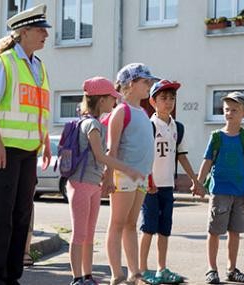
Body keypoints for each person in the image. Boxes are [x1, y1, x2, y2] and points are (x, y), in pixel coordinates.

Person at [0, 4, 52, 284]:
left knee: (21, 216)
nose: (46, 35)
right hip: (2, 148)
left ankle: (11, 277)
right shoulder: (5, 61)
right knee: (1, 217)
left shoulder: (38, 65)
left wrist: (44, 140)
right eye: (41, 30)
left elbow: (37, 108)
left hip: (27, 150)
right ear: (24, 32)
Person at [68, 77, 145, 285]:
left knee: (89, 233)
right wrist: (127, 168)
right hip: (81, 184)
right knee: (79, 233)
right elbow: (101, 156)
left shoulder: (95, 123)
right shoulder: (91, 125)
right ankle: (77, 278)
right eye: (112, 98)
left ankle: (87, 276)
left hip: (92, 184)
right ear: (101, 100)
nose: (115, 102)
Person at [138, 79, 204, 284]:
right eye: (164, 98)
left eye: (172, 98)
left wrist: (195, 180)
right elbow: (143, 156)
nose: (169, 102)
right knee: (148, 228)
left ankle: (161, 268)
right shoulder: (148, 126)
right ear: (153, 101)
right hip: (150, 187)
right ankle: (142, 269)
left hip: (167, 186)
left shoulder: (178, 127)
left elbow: (181, 156)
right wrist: (148, 180)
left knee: (164, 229)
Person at [196, 92, 244, 284]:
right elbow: (207, 161)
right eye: (226, 110)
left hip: (240, 192)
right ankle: (211, 269)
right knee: (214, 231)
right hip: (220, 191)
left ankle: (232, 269)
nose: (229, 113)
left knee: (235, 231)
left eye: (234, 110)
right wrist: (199, 183)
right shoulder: (216, 137)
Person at [103, 63, 158, 285]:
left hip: (141, 177)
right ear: (131, 84)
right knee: (117, 223)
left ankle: (135, 274)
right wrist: (108, 177)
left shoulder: (144, 112)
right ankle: (117, 274)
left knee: (131, 224)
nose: (149, 86)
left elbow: (146, 148)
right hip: (123, 175)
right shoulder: (121, 111)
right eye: (146, 82)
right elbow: (112, 149)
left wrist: (149, 176)